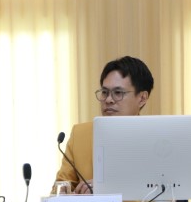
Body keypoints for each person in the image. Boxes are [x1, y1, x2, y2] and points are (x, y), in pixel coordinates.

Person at [53, 56, 154, 194]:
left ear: (142, 98)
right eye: (105, 92)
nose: (108, 100)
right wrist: (69, 193)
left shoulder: (155, 137)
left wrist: (107, 189)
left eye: (118, 93)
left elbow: (163, 194)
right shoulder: (80, 135)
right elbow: (59, 189)